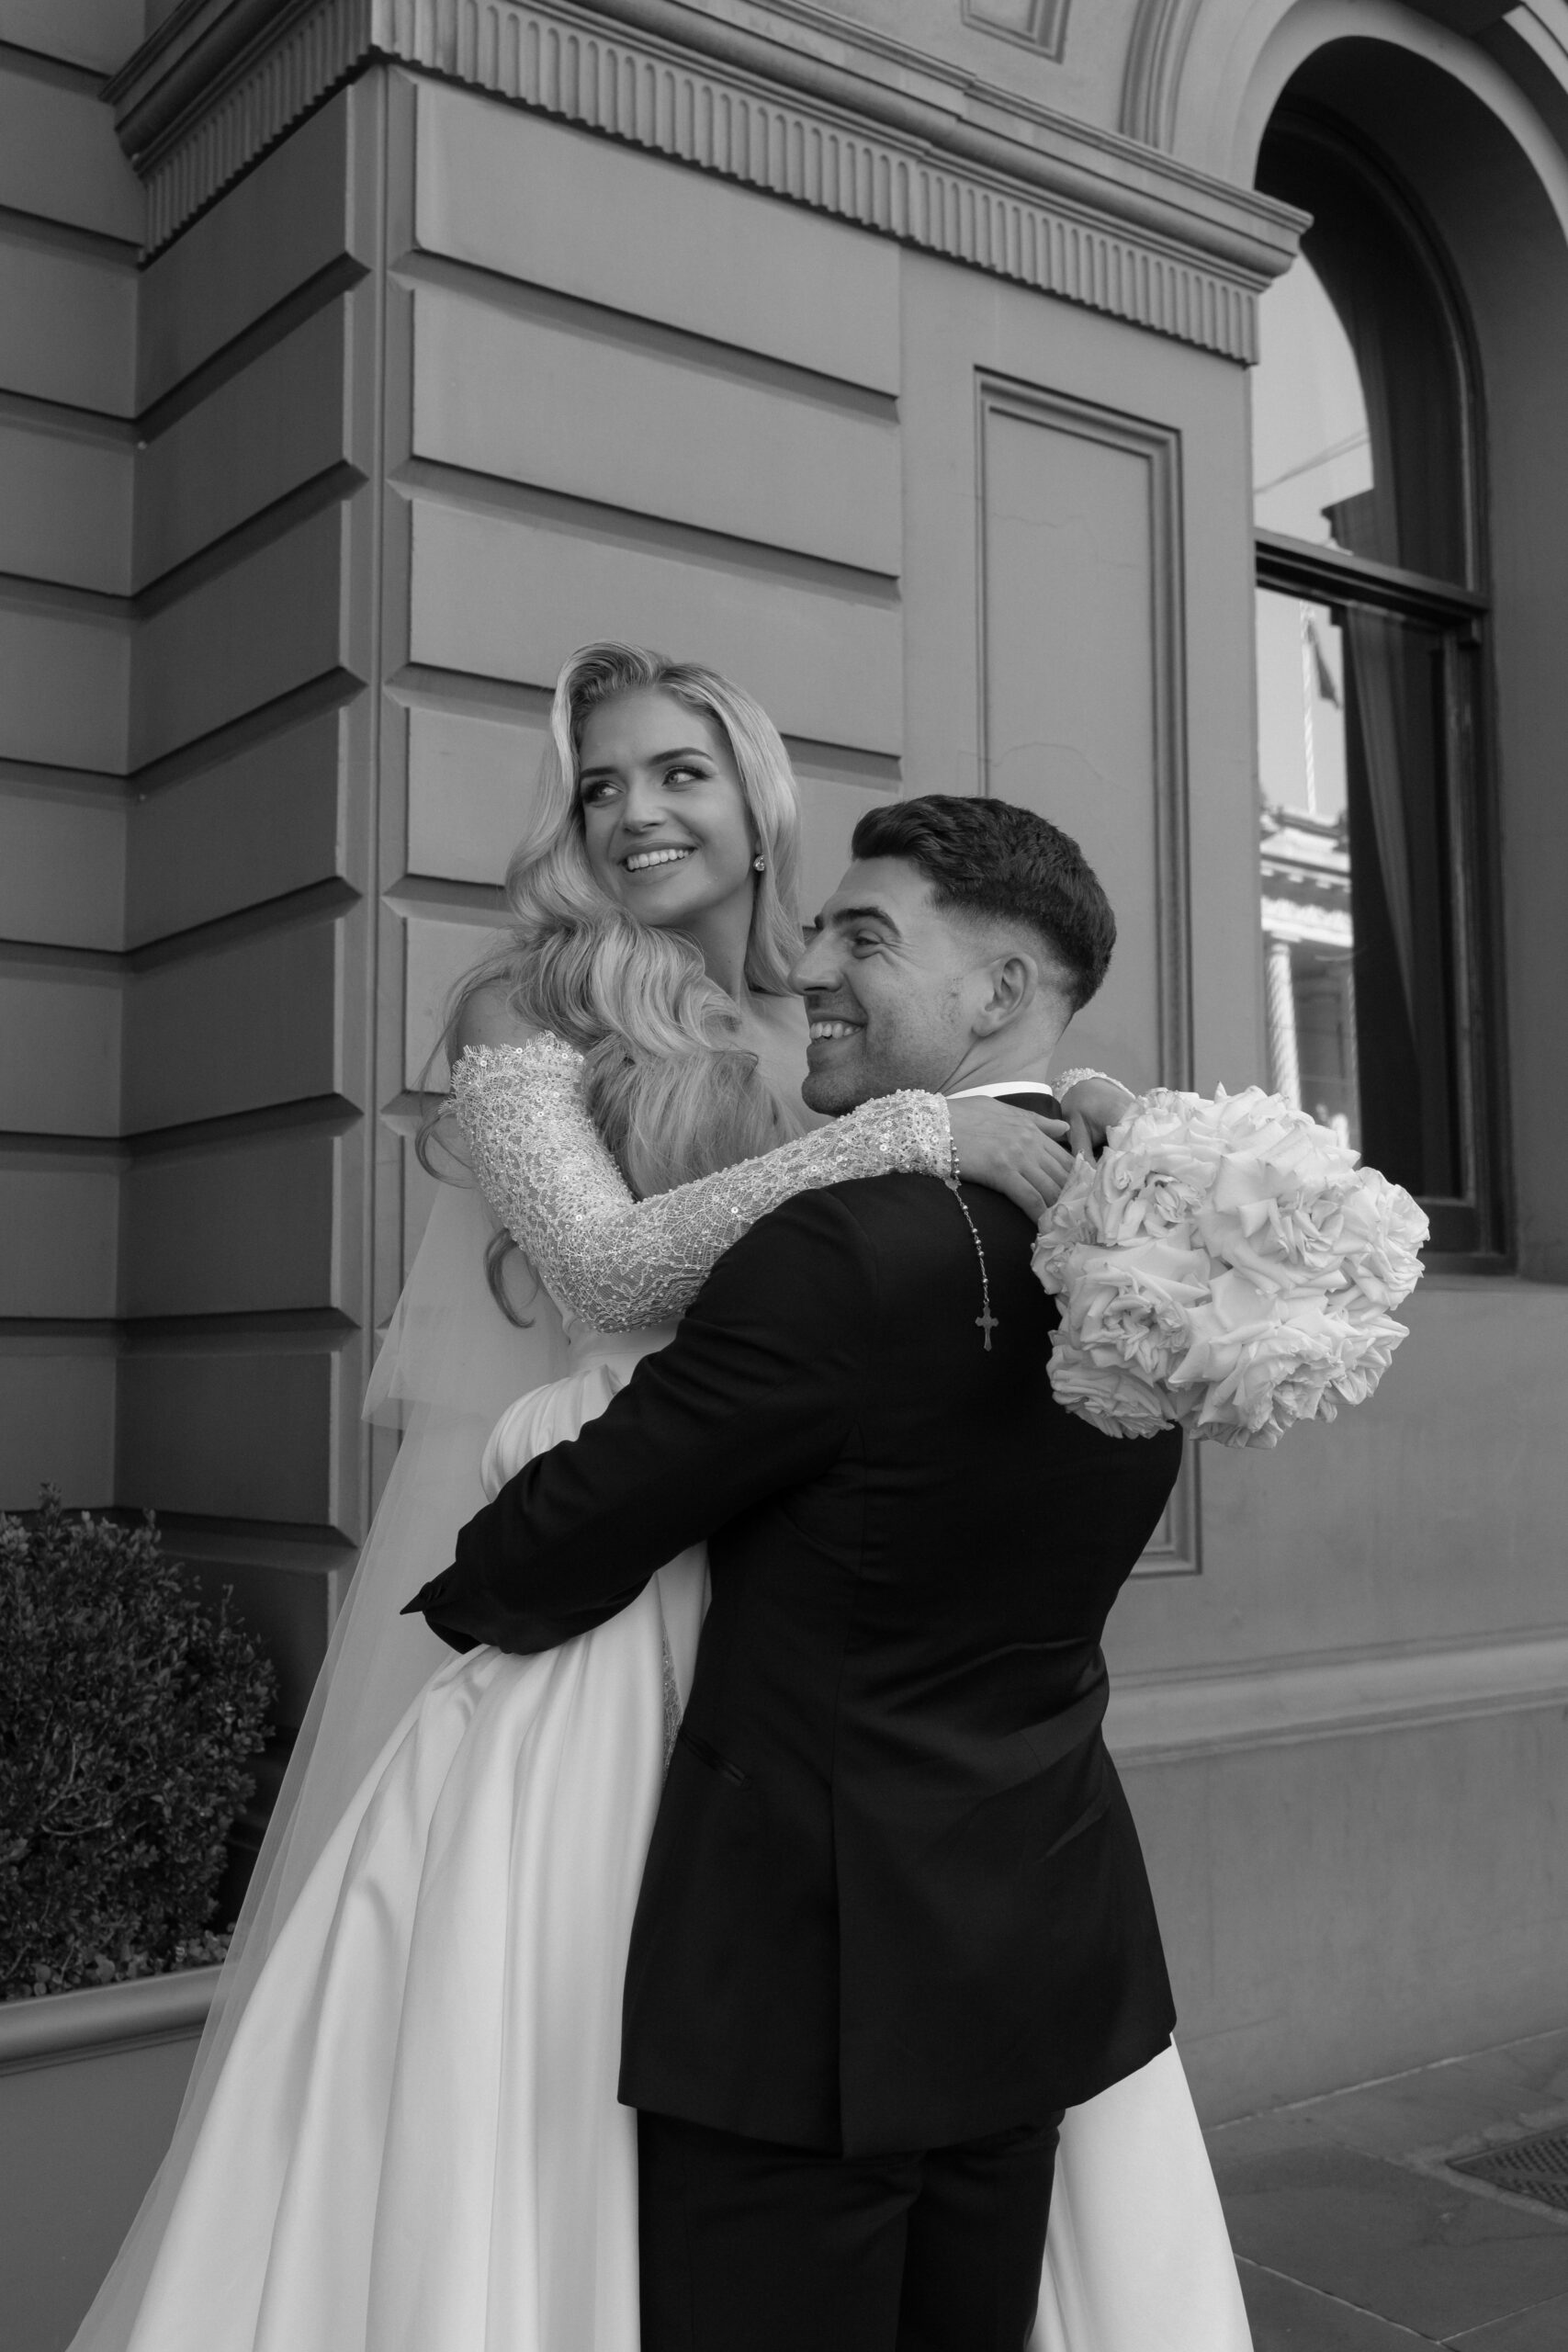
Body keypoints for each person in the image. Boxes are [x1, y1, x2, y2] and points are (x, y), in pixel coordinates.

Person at [68, 645, 1190, 2352]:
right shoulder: (534, 1008)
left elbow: (974, 1112)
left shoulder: (822, 995)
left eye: (679, 771)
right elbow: (597, 1267)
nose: (636, 810)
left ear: (758, 800)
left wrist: (1076, 1108)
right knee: (577, 1997)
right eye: (600, 783)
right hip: (632, 1514)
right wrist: (892, 1143)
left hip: (797, 1551)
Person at [412, 793, 1248, 2351]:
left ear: (1000, 993)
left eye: (869, 938)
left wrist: (506, 1490)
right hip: (1036, 1942)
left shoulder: (844, 1250)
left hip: (810, 1989)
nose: (813, 967)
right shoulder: (1166, 1240)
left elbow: (539, 1558)